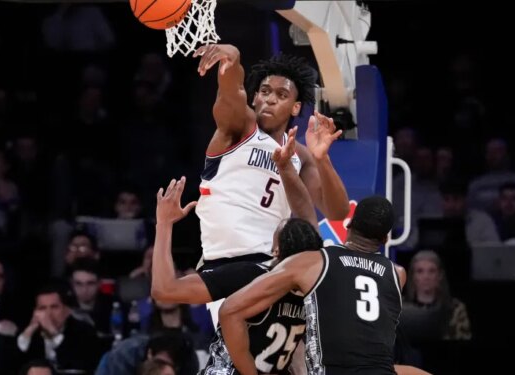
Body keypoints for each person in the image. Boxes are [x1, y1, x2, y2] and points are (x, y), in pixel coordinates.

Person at [191, 43, 349, 271]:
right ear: (254, 97)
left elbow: (338, 212)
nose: (270, 99)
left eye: (281, 95)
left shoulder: (299, 155)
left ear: (295, 108)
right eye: (265, 92)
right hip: (222, 260)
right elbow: (230, 93)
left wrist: (322, 159)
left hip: (271, 262)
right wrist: (232, 60)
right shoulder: (240, 127)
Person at [149, 175, 322, 374]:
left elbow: (164, 289)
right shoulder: (315, 293)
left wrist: (164, 224)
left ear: (275, 250)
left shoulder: (250, 275)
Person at [219, 196, 402, 375]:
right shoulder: (397, 274)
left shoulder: (313, 263)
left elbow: (230, 311)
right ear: (385, 238)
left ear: (348, 224)